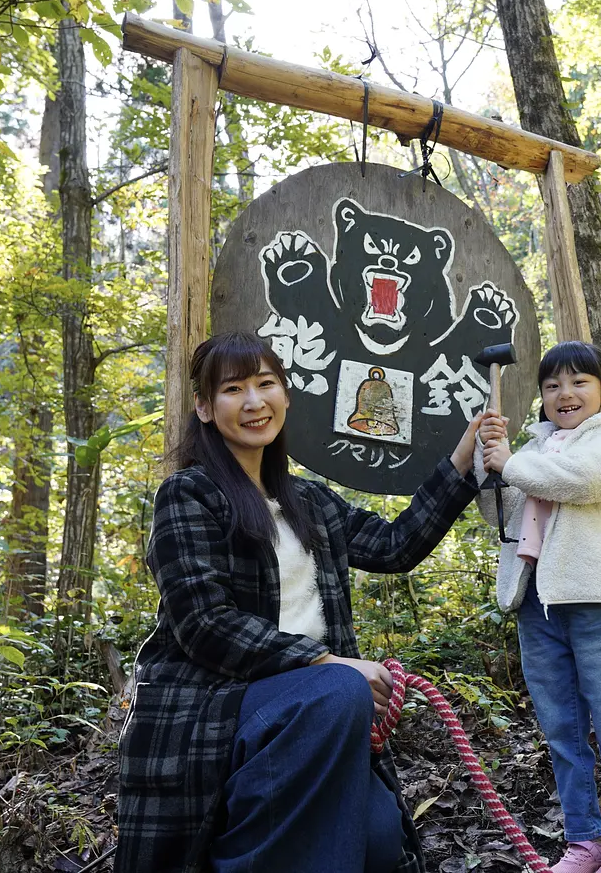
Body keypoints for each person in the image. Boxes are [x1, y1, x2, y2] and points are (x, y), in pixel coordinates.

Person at [116, 331, 484, 873]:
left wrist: (460, 463)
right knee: (337, 691)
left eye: (266, 384)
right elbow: (202, 622)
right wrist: (329, 665)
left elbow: (394, 545)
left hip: (321, 706)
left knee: (381, 842)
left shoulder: (309, 501)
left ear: (286, 395)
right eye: (233, 389)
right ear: (204, 407)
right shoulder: (189, 494)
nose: (253, 402)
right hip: (220, 704)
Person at [477, 341, 601, 873]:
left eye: (579, 382)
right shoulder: (533, 450)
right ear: (541, 397)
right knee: (561, 727)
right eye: (553, 385)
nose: (565, 394)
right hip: (536, 599)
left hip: (595, 596)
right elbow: (500, 514)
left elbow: (579, 482)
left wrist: (511, 464)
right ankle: (584, 839)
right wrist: (491, 464)